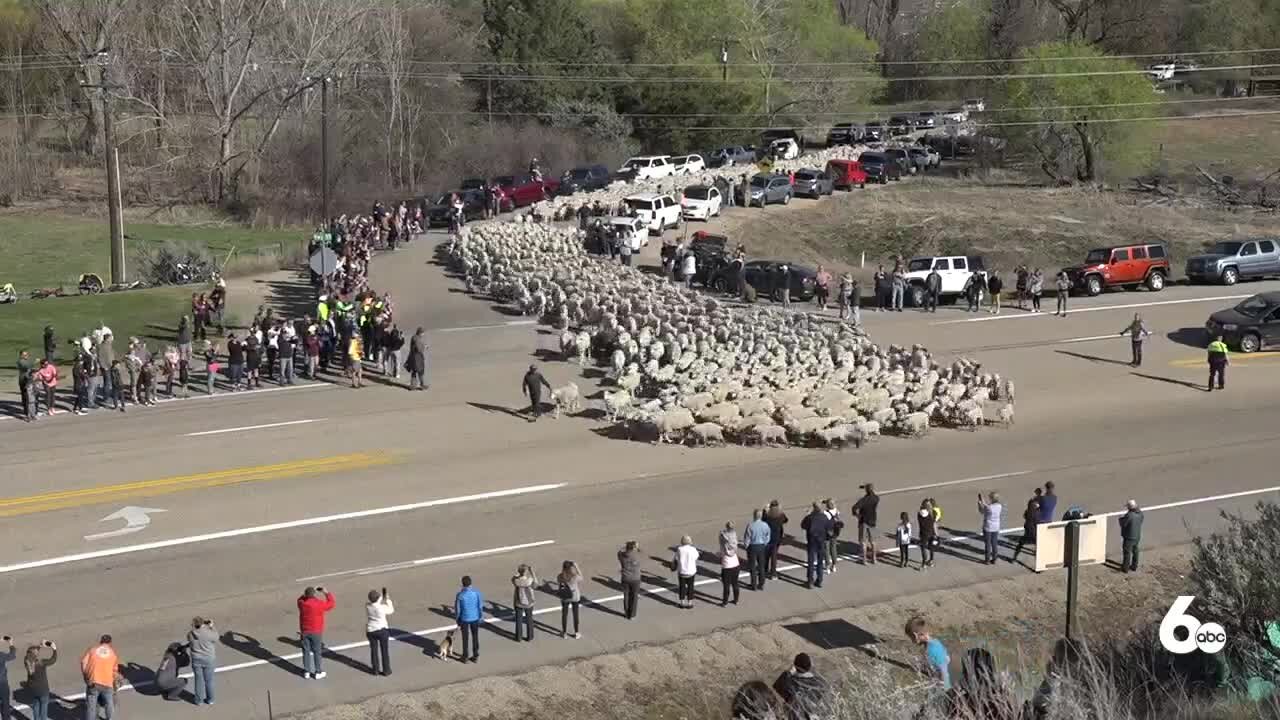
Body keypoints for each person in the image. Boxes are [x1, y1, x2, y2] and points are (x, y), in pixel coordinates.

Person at [772, 653, 829, 720]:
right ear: (810, 666)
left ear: (795, 667)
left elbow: (777, 685)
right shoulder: (820, 682)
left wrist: (788, 672)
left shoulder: (789, 682)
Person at [297, 586, 335, 679]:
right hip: (316, 631)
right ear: (314, 595)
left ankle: (306, 671)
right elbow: (331, 604)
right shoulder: (318, 604)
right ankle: (318, 671)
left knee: (306, 651)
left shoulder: (301, 603)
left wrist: (306, 594)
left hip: (305, 630)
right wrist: (326, 593)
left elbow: (300, 598)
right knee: (317, 651)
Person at [81, 634, 119, 720]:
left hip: (93, 682)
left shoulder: (92, 650)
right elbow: (115, 672)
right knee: (109, 703)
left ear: (101, 641)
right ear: (110, 643)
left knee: (91, 706)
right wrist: (115, 683)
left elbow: (83, 662)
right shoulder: (113, 654)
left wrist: (86, 676)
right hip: (107, 683)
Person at [906, 616, 951, 689]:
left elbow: (944, 669)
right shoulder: (930, 645)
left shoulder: (933, 648)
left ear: (915, 635)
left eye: (911, 638)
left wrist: (942, 684)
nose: (912, 641)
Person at [800, 502, 831, 589]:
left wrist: (807, 515)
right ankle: (819, 580)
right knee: (820, 562)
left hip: (811, 541)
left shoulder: (810, 517)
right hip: (821, 541)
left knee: (811, 561)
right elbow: (829, 528)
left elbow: (803, 525)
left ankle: (810, 581)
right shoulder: (824, 517)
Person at [187, 616, 218, 705]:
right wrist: (211, 627)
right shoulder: (208, 633)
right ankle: (210, 699)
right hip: (208, 659)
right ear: (202, 624)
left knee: (198, 680)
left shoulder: (190, 634)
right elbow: (216, 638)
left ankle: (199, 701)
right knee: (209, 681)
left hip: (196, 659)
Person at [24, 641, 56, 720]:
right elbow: (53, 660)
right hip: (43, 690)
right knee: (43, 711)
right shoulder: (41, 663)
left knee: (36, 707)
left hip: (34, 690)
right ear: (36, 654)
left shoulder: (26, 661)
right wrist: (54, 649)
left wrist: (40, 646)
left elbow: (31, 653)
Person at [454, 576, 483, 662]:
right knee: (475, 636)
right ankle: (475, 655)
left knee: (465, 638)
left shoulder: (460, 595)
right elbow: (480, 606)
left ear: (462, 584)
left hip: (464, 618)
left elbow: (458, 609)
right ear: (471, 583)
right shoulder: (476, 593)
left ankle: (465, 656)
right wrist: (480, 616)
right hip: (475, 617)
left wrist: (457, 619)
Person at [366, 588, 394, 676]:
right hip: (381, 630)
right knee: (384, 651)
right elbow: (391, 610)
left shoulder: (367, 605)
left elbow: (376, 601)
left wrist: (382, 598)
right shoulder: (381, 608)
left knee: (373, 650)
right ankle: (386, 670)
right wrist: (388, 600)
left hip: (371, 630)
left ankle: (375, 670)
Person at [744, 509, 771, 591]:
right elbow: (768, 536)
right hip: (761, 546)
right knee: (761, 566)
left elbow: (747, 538)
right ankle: (761, 584)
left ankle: (754, 585)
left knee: (752, 567)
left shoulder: (750, 525)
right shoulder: (765, 525)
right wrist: (765, 543)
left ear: (754, 516)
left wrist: (746, 546)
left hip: (752, 547)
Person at [853, 484, 880, 565]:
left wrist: (858, 516)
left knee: (863, 541)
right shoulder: (876, 498)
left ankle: (864, 559)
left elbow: (854, 508)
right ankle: (874, 558)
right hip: (872, 521)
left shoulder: (864, 500)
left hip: (864, 521)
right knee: (873, 541)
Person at [511, 564, 538, 641]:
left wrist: (518, 574)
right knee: (529, 619)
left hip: (518, 602)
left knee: (518, 620)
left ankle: (518, 637)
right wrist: (532, 572)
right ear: (526, 572)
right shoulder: (529, 580)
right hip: (529, 602)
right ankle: (530, 637)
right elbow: (536, 585)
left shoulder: (516, 581)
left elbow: (513, 578)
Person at [1012, 493, 1041, 564]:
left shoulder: (1027, 512)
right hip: (1034, 534)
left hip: (1027, 532)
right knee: (1037, 549)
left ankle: (1014, 558)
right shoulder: (1037, 513)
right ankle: (1039, 565)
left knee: (1020, 545)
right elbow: (1037, 522)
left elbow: (1024, 516)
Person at [556, 561, 583, 638]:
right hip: (575, 596)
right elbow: (581, 577)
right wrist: (577, 567)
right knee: (575, 614)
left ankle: (564, 633)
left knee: (564, 614)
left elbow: (559, 582)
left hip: (565, 597)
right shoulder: (574, 576)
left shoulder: (560, 576)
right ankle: (576, 632)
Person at [618, 541, 643, 619]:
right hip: (635, 578)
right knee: (634, 597)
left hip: (625, 578)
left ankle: (626, 612)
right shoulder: (637, 555)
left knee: (626, 595)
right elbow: (641, 552)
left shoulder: (621, 556)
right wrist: (637, 547)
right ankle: (632, 614)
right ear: (634, 548)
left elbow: (619, 552)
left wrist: (624, 547)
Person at [672, 535, 699, 609]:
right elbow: (696, 557)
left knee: (682, 587)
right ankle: (690, 603)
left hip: (682, 571)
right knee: (691, 587)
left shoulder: (679, 549)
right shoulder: (693, 549)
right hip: (691, 571)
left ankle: (682, 602)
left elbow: (676, 558)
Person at [718, 521, 741, 606]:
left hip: (727, 565)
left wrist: (722, 534)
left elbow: (721, 540)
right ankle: (736, 600)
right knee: (735, 583)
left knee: (726, 585)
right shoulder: (734, 536)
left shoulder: (722, 538)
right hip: (735, 563)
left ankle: (725, 602)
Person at [765, 500, 788, 579]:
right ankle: (773, 573)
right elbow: (786, 520)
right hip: (777, 538)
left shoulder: (767, 515)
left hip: (768, 537)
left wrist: (765, 510)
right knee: (774, 555)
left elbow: (763, 520)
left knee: (767, 554)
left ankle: (765, 570)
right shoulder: (780, 515)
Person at [1119, 499, 1143, 573]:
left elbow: (1123, 524)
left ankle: (1125, 568)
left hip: (1129, 537)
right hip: (1137, 536)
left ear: (1129, 507)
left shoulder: (1129, 515)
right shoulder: (1140, 513)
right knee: (1135, 551)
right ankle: (1134, 566)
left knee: (1127, 552)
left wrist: (1120, 519)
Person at [823, 499, 842, 574]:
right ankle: (834, 565)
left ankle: (827, 566)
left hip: (827, 533)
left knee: (826, 550)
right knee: (833, 549)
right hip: (835, 532)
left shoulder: (825, 513)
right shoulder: (836, 511)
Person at [918, 499, 938, 569]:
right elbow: (934, 524)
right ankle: (931, 561)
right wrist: (936, 534)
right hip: (932, 532)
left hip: (923, 533)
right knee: (931, 547)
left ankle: (924, 563)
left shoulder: (919, 514)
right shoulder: (933, 513)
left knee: (923, 548)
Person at [16, 350, 35, 422]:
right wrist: (35, 362)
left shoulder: (27, 361)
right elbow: (26, 366)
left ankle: (30, 412)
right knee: (26, 397)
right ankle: (27, 413)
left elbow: (29, 368)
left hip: (28, 380)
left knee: (28, 397)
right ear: (21, 355)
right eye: (24, 355)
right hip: (23, 381)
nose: (26, 356)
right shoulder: (20, 361)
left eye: (27, 354)